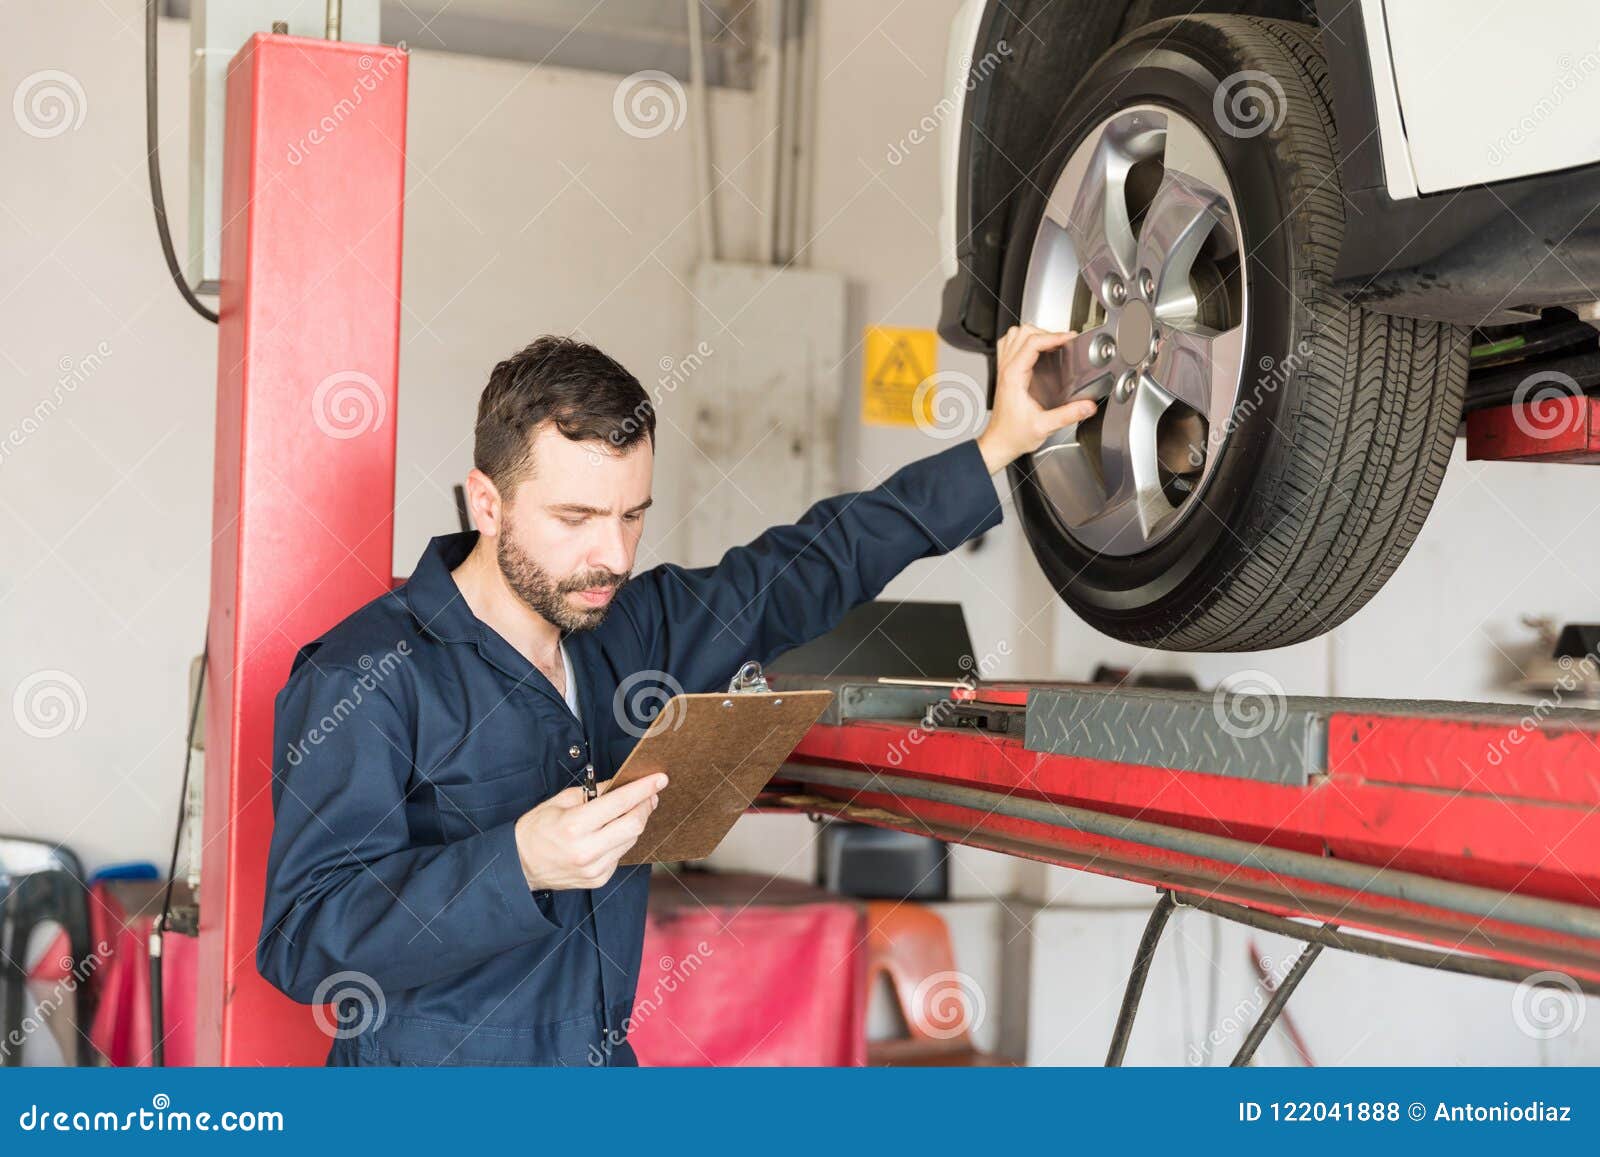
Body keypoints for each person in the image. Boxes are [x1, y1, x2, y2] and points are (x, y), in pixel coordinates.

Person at [256, 325, 1094, 1065]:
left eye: (631, 517)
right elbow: (304, 941)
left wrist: (993, 446)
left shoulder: (635, 629)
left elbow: (812, 565)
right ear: (488, 503)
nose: (612, 555)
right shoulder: (365, 676)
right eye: (576, 517)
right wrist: (517, 864)